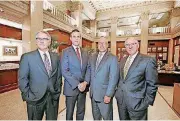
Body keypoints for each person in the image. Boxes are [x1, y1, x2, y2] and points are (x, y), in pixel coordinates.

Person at [18, 31, 62, 120]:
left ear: (49, 42)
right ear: (36, 41)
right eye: (39, 39)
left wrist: (57, 91)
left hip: (52, 97)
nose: (42, 41)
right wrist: (28, 95)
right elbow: (22, 79)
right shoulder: (27, 57)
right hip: (34, 99)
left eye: (45, 39)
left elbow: (58, 76)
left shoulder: (55, 57)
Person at [115, 37, 158, 120]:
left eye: (133, 44)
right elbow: (121, 80)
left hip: (138, 104)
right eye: (127, 45)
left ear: (138, 45)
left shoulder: (148, 60)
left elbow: (152, 84)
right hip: (122, 102)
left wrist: (146, 102)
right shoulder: (123, 60)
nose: (130, 47)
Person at [85, 37, 119, 120]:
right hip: (93, 95)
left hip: (105, 95)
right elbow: (89, 71)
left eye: (104, 43)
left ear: (107, 45)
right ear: (97, 45)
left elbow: (113, 78)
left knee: (107, 118)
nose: (102, 45)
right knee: (96, 118)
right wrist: (86, 81)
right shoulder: (92, 57)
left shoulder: (112, 58)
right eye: (100, 43)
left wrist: (109, 94)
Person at [61, 29, 89, 120]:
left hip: (83, 88)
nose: (76, 39)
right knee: (69, 113)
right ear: (70, 38)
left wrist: (85, 83)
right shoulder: (65, 51)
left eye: (78, 36)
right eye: (74, 36)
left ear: (80, 38)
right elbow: (65, 71)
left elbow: (89, 68)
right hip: (71, 87)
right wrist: (77, 84)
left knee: (81, 111)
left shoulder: (85, 52)